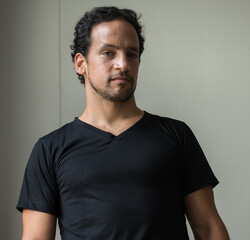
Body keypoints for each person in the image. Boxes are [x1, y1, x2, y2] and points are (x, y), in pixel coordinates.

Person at [17, 6, 230, 240]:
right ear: (81, 63)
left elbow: (209, 229)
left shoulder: (176, 136)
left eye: (132, 54)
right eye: (108, 53)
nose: (123, 64)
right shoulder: (50, 150)